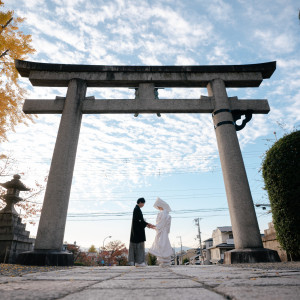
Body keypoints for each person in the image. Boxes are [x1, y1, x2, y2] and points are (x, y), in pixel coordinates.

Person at [128, 198, 155, 267]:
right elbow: (140, 221)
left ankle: (137, 262)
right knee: (139, 246)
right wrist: (148, 224)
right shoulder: (137, 209)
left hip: (136, 231)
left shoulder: (137, 209)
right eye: (143, 203)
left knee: (136, 247)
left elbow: (140, 221)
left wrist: (147, 224)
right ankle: (140, 262)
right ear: (140, 202)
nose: (143, 205)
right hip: (138, 232)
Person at [148, 197, 173, 267]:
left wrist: (153, 226)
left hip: (161, 232)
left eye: (158, 206)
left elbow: (160, 224)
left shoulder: (163, 214)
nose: (158, 207)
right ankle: (165, 261)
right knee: (164, 244)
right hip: (163, 231)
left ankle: (164, 261)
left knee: (161, 245)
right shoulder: (166, 214)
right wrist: (154, 226)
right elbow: (165, 226)